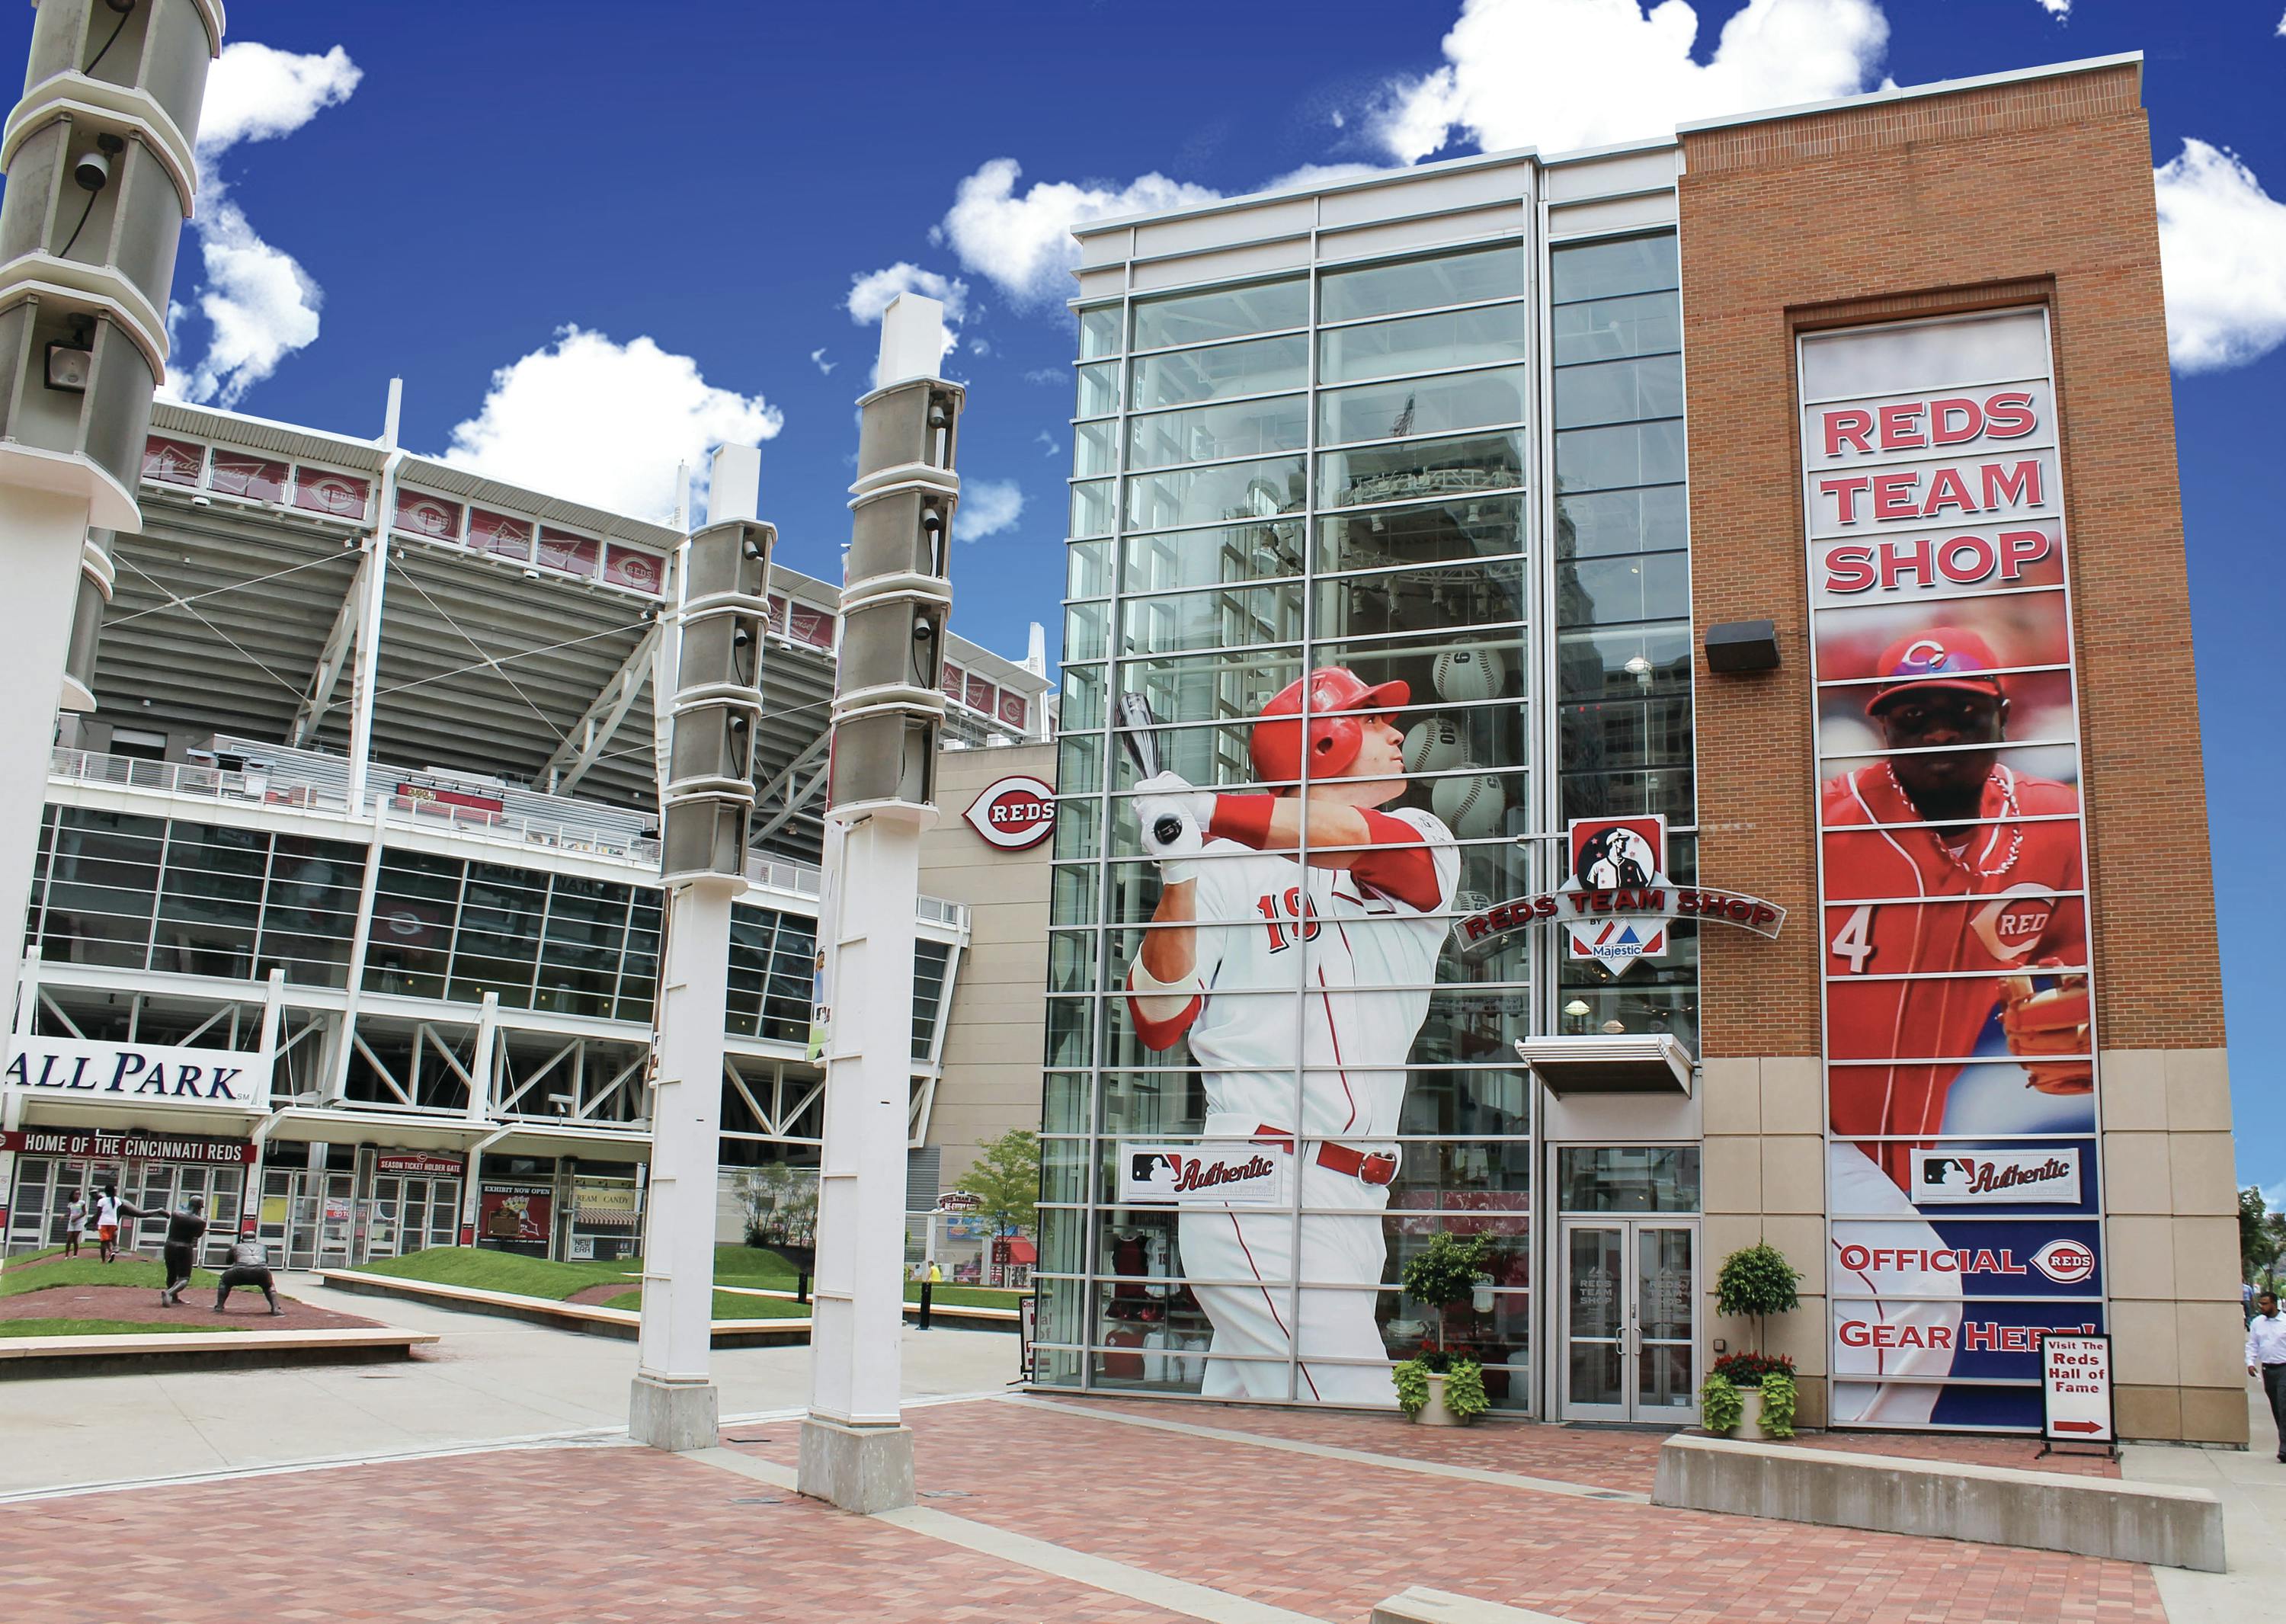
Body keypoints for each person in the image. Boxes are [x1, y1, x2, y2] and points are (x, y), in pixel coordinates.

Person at [1125, 667, 1458, 1405]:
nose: (1396, 732)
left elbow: (1346, 840)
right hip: (1261, 1177)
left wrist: (1206, 809)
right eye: (1373, 721)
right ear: (1324, 739)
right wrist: (1179, 870)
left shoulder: (1425, 839)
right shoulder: (1218, 866)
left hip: (1358, 1197)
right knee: (1358, 1414)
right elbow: (1157, 1018)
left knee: (1258, 1442)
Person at [1819, 628, 2087, 1428]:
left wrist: (2070, 1007)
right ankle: (1874, 1456)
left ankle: (1865, 1449)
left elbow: (2075, 968)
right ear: (1884, 730)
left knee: (1893, 1304)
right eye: (1915, 716)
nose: (1939, 733)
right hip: (1817, 1129)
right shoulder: (1823, 827)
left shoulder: (2060, 821)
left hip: (1937, 1138)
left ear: (2001, 718)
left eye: (1962, 713)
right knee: (1927, 1289)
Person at [117, 1193, 207, 1307]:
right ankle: (169, 1293)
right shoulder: (200, 1222)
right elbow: (197, 1236)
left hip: (170, 1246)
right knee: (184, 1278)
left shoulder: (176, 1214)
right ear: (199, 1207)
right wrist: (202, 1226)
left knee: (171, 1273)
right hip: (184, 1247)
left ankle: (174, 1298)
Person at [2249, 1291, 2286, 1463]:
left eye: (2265, 1304)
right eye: (2260, 1303)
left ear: (2274, 1304)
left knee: (2283, 1407)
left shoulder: (2285, 1322)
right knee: (2277, 1408)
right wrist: (2250, 1362)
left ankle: (2284, 1449)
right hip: (2267, 1369)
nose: (2261, 1307)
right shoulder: (2257, 1323)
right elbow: (2253, 1344)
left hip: (2284, 1369)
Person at [213, 1235, 285, 1315]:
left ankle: (219, 1307)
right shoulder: (263, 1247)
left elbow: (228, 1262)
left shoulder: (236, 1247)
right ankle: (276, 1308)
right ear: (255, 1239)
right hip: (261, 1270)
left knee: (224, 1281)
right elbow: (266, 1261)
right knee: (269, 1286)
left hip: (241, 1270)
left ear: (242, 1239)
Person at [94, 1184, 123, 1264]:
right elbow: (118, 1210)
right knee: (108, 1240)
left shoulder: (102, 1201)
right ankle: (111, 1252)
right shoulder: (117, 1200)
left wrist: (96, 1222)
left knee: (103, 1242)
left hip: (103, 1223)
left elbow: (98, 1213)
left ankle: (103, 1260)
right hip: (113, 1223)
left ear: (105, 1191)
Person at [62, 1190, 85, 1258]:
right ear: (73, 1195)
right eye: (76, 1194)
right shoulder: (70, 1204)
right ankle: (66, 1255)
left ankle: (75, 1254)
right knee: (69, 1238)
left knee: (75, 1238)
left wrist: (77, 1218)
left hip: (79, 1222)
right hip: (72, 1222)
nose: (78, 1195)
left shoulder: (82, 1203)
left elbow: (84, 1213)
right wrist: (64, 1215)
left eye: (79, 1194)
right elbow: (70, 1213)